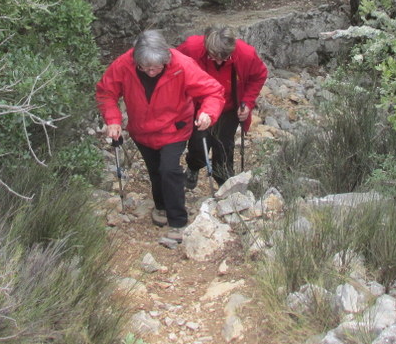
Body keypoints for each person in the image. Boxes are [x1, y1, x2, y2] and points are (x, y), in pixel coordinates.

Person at [95, 30, 224, 240]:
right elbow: (106, 92)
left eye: (156, 67)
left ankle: (178, 221)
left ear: (166, 59)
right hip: (141, 130)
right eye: (145, 68)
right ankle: (161, 207)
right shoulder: (123, 65)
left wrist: (208, 113)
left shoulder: (182, 65)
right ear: (136, 60)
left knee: (169, 170)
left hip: (175, 128)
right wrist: (113, 120)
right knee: (155, 170)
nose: (151, 72)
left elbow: (213, 92)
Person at [176, 25, 268, 188]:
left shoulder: (246, 54)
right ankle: (194, 167)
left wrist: (247, 102)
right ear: (207, 47)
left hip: (229, 107)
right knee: (198, 143)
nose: (219, 61)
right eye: (214, 57)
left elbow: (259, 76)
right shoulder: (192, 48)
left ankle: (224, 179)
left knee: (224, 145)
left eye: (224, 58)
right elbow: (174, 65)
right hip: (200, 106)